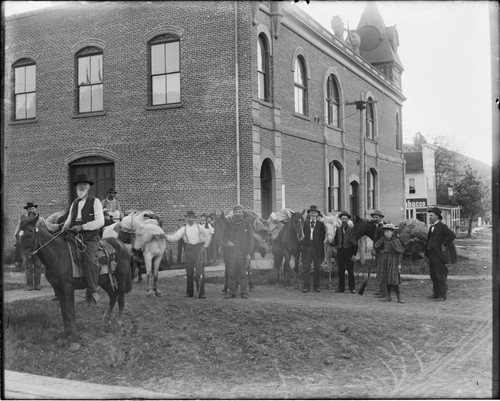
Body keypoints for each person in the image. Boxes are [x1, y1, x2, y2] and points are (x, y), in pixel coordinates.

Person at [62, 174, 105, 304]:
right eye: (79, 185)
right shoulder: (74, 203)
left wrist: (83, 227)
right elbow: (69, 220)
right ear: (76, 188)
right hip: (74, 235)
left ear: (88, 187)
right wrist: (64, 229)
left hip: (90, 238)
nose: (81, 187)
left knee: (90, 259)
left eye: (84, 185)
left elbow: (100, 221)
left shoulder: (95, 201)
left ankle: (92, 289)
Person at [166, 211, 211, 298]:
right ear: (186, 218)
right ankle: (189, 293)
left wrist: (205, 246)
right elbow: (175, 237)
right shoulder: (183, 229)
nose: (190, 219)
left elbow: (207, 237)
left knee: (199, 272)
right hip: (189, 250)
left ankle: (201, 293)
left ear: (194, 218)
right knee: (189, 272)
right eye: (188, 217)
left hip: (198, 249)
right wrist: (165, 236)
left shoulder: (199, 227)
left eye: (192, 217)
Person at [221, 205, 254, 299]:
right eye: (236, 212)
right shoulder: (229, 224)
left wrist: (249, 254)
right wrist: (228, 242)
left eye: (240, 212)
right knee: (231, 273)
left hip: (243, 252)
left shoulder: (247, 224)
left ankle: (244, 292)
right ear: (233, 213)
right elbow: (224, 238)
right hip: (232, 253)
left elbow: (250, 240)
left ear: (242, 213)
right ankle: (232, 292)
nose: (238, 214)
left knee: (243, 273)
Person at [425, 207, 456, 302]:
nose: (429, 217)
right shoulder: (431, 227)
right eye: (429, 215)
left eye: (431, 216)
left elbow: (452, 235)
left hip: (439, 256)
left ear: (437, 217)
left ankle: (442, 296)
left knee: (440, 275)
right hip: (431, 255)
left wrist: (444, 244)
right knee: (433, 275)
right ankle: (436, 294)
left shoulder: (442, 227)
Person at [14, 202, 43, 291]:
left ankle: (37, 285)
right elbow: (17, 231)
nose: (31, 210)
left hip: (37, 246)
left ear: (35, 209)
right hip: (27, 246)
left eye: (33, 208)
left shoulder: (40, 219)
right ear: (27, 210)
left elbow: (44, 230)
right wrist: (18, 240)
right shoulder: (22, 219)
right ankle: (30, 285)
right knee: (29, 266)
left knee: (38, 265)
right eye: (29, 209)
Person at [374, 223, 405, 303]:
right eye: (385, 232)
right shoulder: (382, 240)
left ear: (392, 232)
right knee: (386, 279)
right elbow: (376, 247)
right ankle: (388, 296)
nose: (386, 233)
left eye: (388, 231)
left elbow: (399, 253)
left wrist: (399, 264)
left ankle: (399, 297)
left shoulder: (396, 241)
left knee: (394, 280)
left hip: (393, 260)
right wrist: (377, 251)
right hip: (385, 260)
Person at [332, 211, 358, 294]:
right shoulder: (338, 229)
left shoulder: (352, 229)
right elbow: (336, 241)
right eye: (342, 218)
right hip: (340, 252)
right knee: (341, 270)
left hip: (349, 251)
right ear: (340, 219)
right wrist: (331, 243)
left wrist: (354, 254)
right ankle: (341, 288)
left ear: (348, 219)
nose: (343, 220)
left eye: (345, 219)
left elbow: (355, 243)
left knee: (350, 271)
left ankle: (352, 288)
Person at [301, 205, 326, 293]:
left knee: (317, 269)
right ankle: (306, 287)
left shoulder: (321, 225)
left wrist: (318, 245)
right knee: (306, 268)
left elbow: (322, 237)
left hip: (317, 249)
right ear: (309, 214)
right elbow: (302, 236)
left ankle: (317, 287)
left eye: (314, 213)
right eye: (311, 213)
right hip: (307, 248)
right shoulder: (305, 223)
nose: (313, 214)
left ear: (317, 214)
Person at [369, 209, 387, 298]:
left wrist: (376, 249)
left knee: (382, 272)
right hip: (378, 253)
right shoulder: (377, 227)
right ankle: (381, 289)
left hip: (382, 253)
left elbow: (382, 241)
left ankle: (384, 291)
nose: (375, 218)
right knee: (379, 272)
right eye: (374, 217)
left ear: (381, 217)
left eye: (377, 217)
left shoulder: (383, 227)